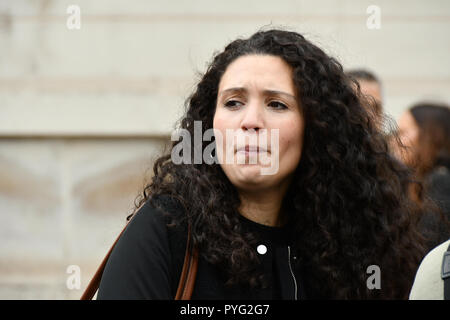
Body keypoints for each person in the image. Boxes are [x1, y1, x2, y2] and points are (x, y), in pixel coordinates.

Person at [96, 29, 427, 300]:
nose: (250, 121)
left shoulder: (351, 244)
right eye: (233, 102)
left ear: (317, 128)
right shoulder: (167, 229)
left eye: (277, 104)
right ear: (210, 125)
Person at [396, 102, 450, 251]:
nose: (395, 140)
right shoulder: (417, 180)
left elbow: (426, 248)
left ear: (430, 136)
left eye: (402, 132)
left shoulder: (441, 180)